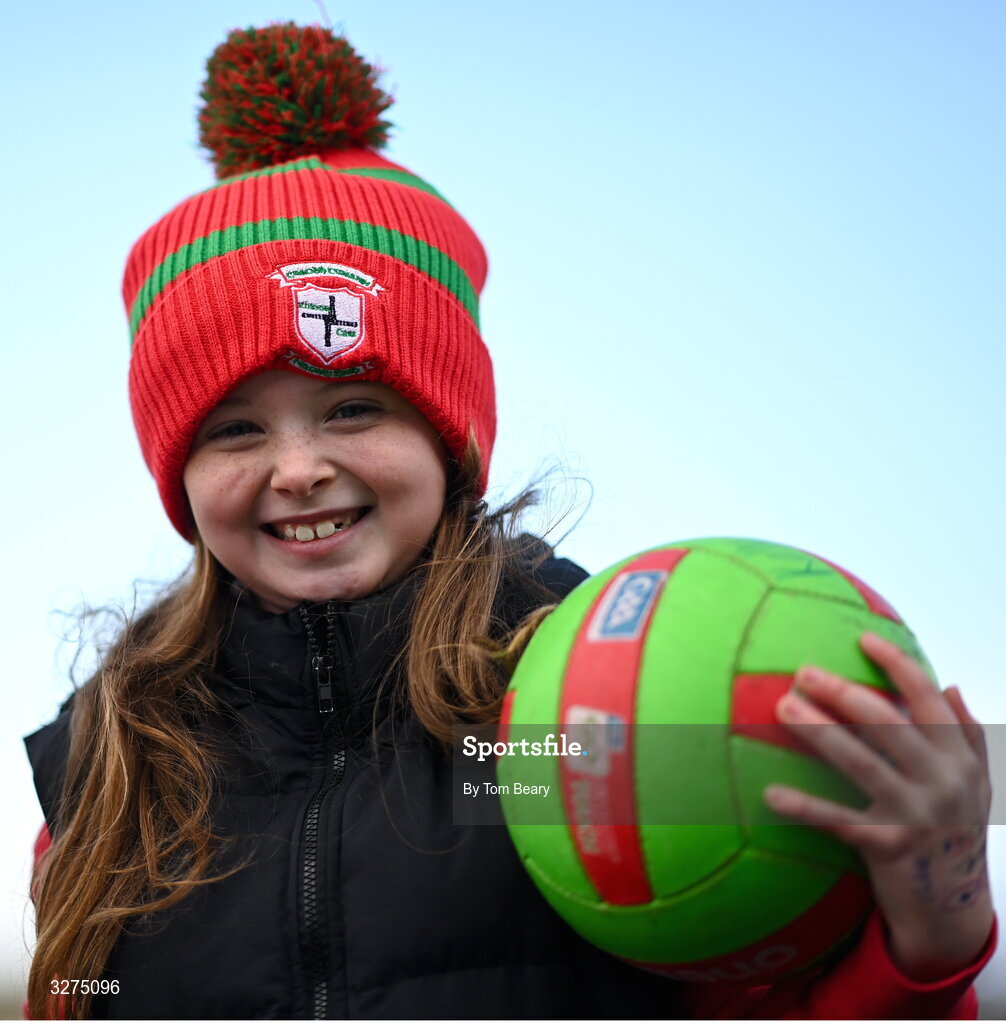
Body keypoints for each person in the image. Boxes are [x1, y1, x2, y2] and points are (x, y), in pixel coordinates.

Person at [23, 22, 995, 1020]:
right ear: (177, 474)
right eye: (234, 430)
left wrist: (929, 936)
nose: (299, 469)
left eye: (353, 407)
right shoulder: (111, 764)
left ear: (446, 437)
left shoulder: (598, 709)